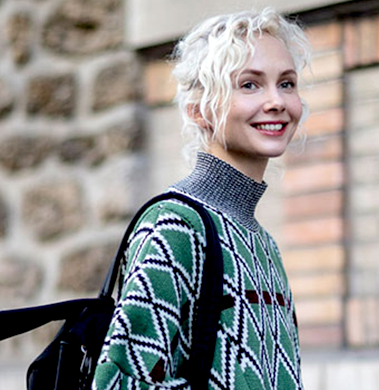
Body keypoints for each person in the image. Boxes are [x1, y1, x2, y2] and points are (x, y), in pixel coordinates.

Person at [93, 8, 311, 390]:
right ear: (199, 110)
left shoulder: (263, 244)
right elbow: (119, 382)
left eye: (287, 83)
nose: (277, 101)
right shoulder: (175, 225)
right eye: (249, 85)